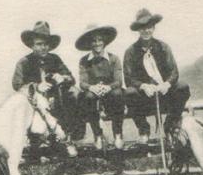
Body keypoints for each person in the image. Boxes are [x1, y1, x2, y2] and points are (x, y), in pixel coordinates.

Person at [12, 21, 81, 157]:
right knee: (37, 126)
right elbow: (17, 85)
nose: (43, 47)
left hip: (55, 100)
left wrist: (62, 77)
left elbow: (70, 78)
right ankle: (35, 142)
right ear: (32, 45)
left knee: (73, 93)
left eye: (46, 44)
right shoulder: (24, 62)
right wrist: (36, 87)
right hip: (34, 103)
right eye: (39, 44)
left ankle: (68, 139)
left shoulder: (55, 59)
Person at [123, 9, 190, 144]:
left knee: (183, 87)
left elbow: (174, 72)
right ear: (138, 30)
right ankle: (144, 130)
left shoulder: (163, 47)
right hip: (145, 98)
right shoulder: (131, 52)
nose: (146, 31)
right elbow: (128, 78)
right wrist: (143, 86)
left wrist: (167, 84)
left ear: (153, 28)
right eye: (143, 28)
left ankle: (170, 125)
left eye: (149, 27)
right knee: (129, 93)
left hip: (164, 95)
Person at [75, 24, 126, 150]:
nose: (97, 43)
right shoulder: (84, 61)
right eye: (94, 41)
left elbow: (119, 80)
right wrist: (92, 87)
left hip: (111, 92)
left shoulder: (114, 59)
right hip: (94, 91)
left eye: (100, 40)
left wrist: (108, 87)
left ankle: (118, 135)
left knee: (118, 94)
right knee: (87, 97)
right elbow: (82, 82)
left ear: (104, 41)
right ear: (89, 43)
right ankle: (97, 135)